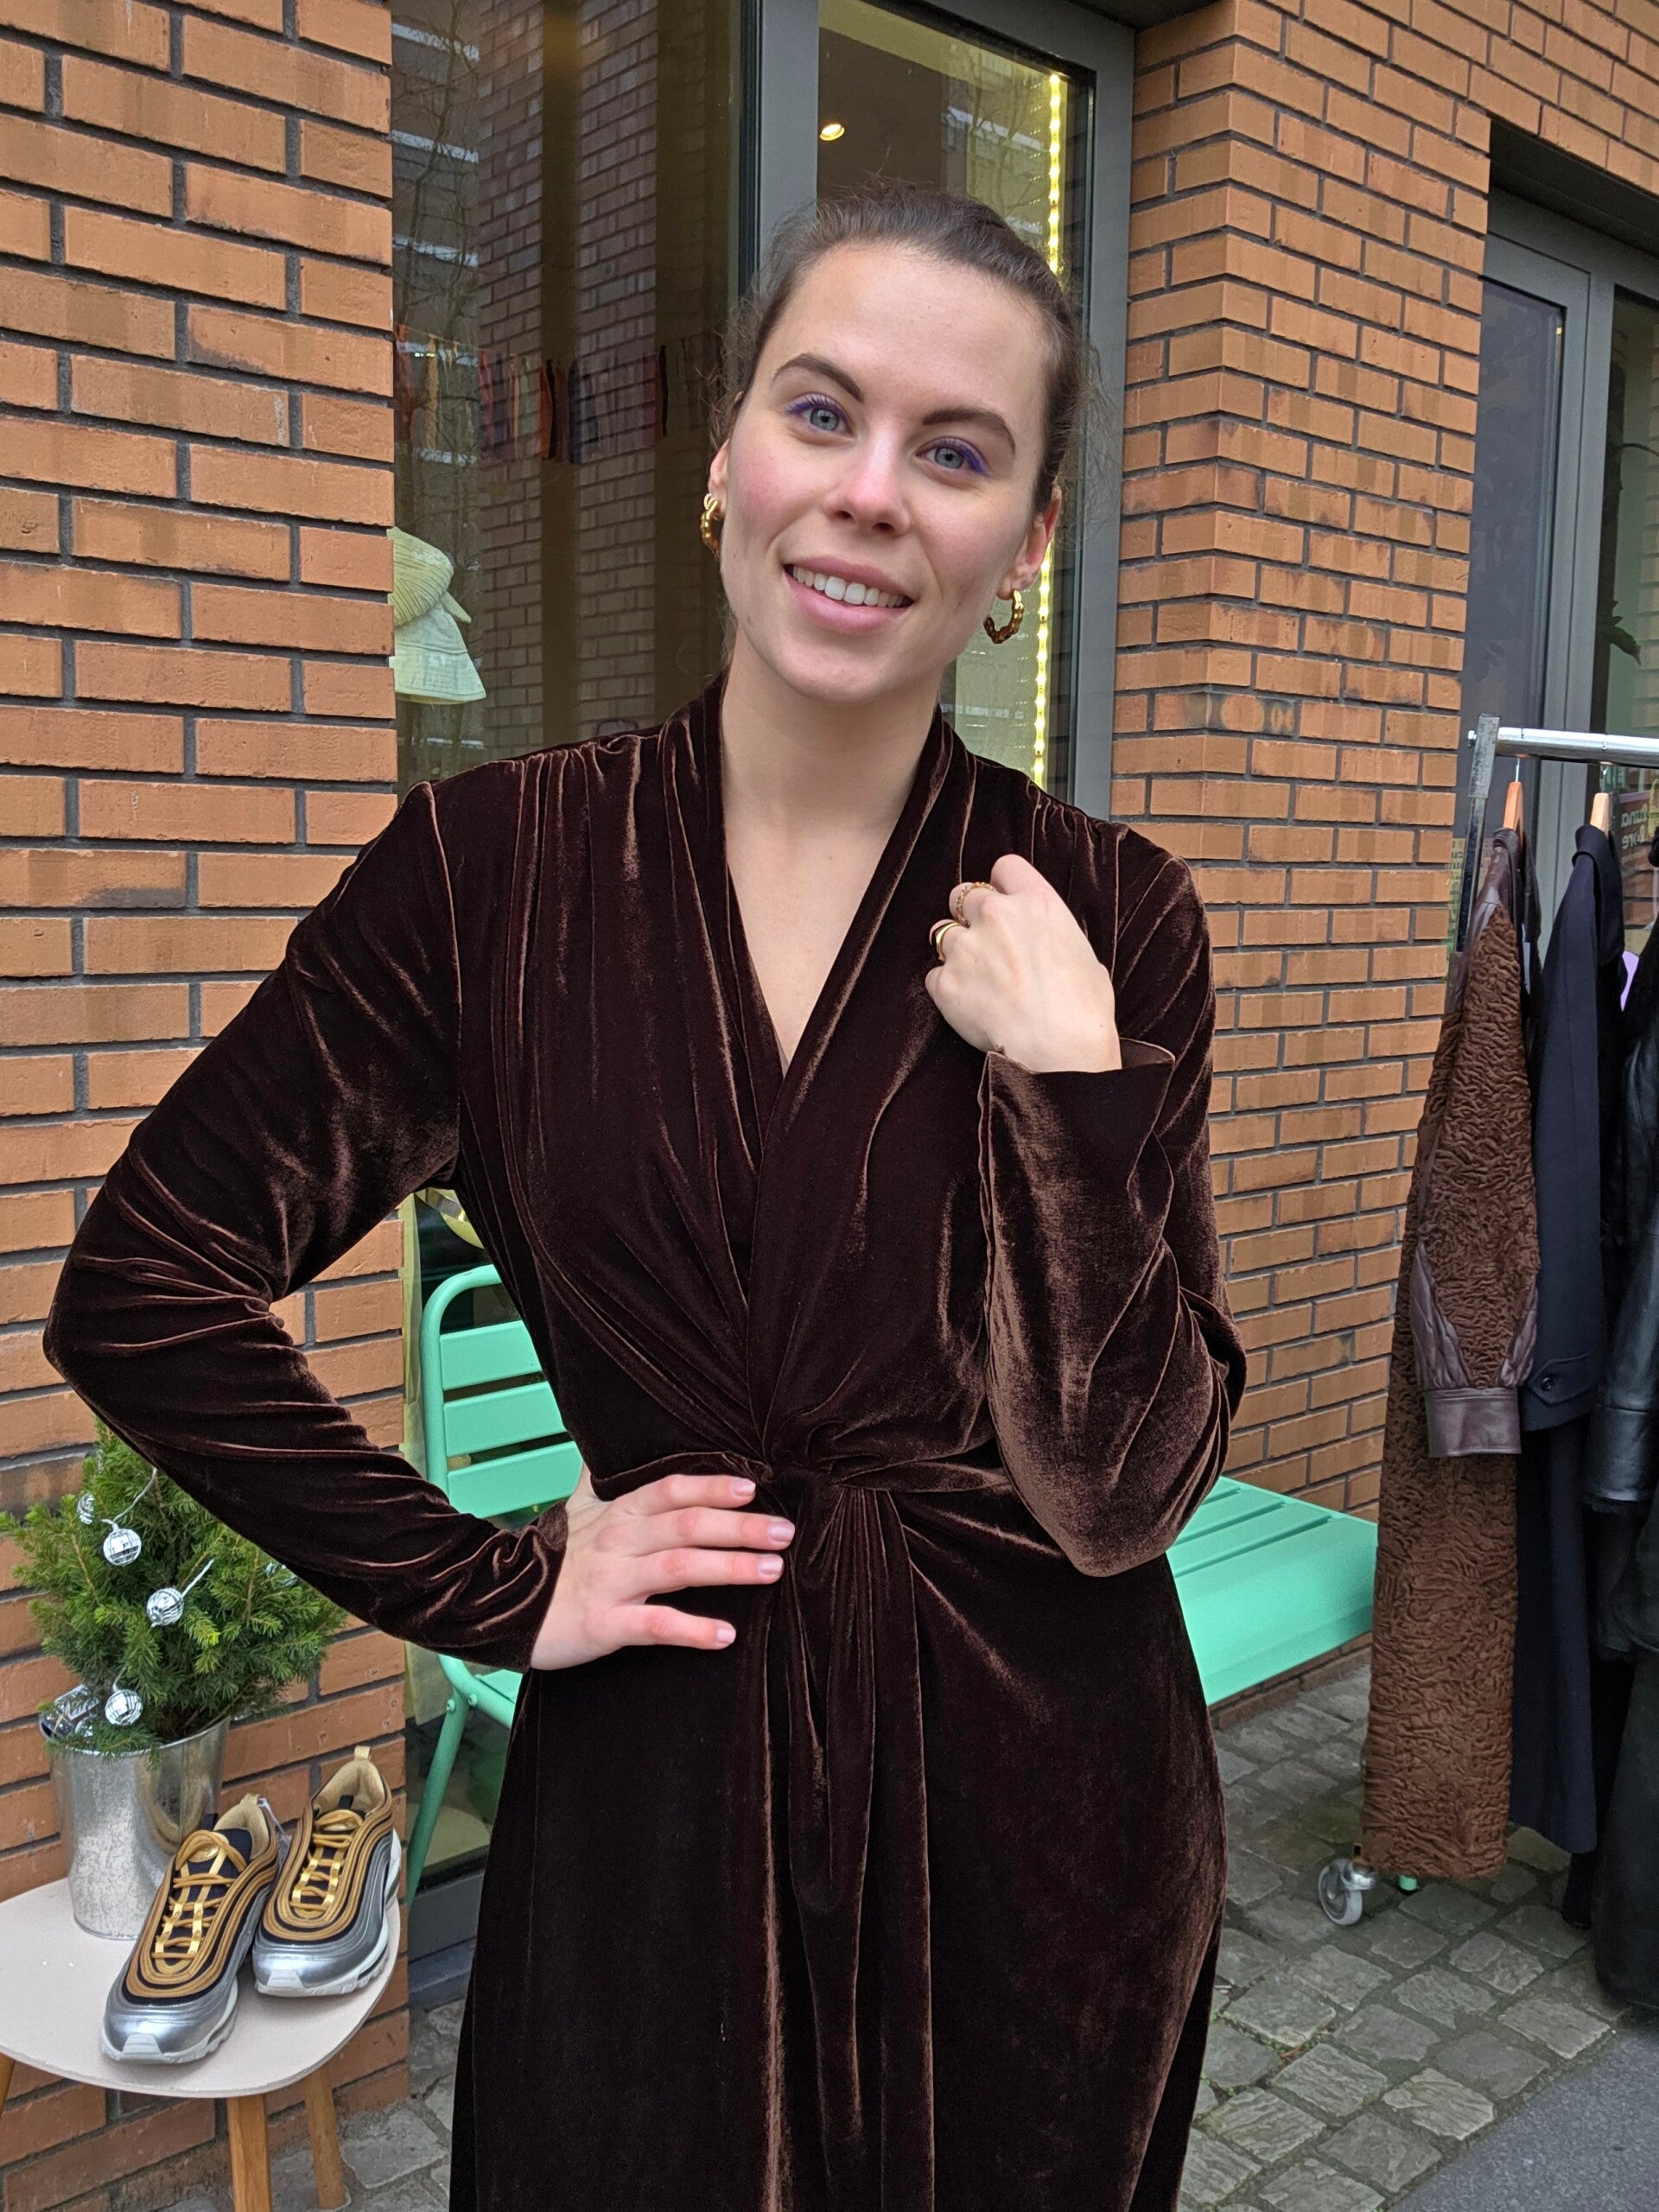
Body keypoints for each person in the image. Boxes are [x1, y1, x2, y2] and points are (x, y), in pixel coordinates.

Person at [44, 181, 1247, 2212]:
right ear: (726, 453)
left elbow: (1125, 1486)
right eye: (821, 409)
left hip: (1046, 1834)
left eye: (956, 451)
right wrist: (487, 1581)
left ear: (1029, 542)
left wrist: (1071, 1086)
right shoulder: (490, 876)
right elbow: (143, 1284)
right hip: (658, 1805)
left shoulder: (1112, 915)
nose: (869, 492)